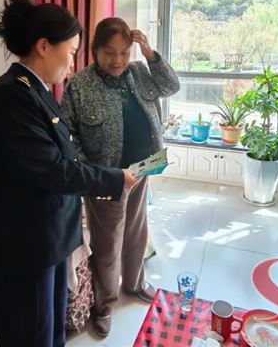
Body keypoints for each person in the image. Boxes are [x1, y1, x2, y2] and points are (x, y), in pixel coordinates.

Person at [0, 0, 138, 347]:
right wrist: (115, 179)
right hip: (23, 248)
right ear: (44, 46)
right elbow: (54, 170)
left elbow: (64, 157)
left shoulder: (37, 91)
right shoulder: (10, 97)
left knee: (50, 334)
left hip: (47, 239)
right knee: (32, 337)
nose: (73, 62)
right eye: (71, 51)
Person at [62, 17, 180, 337]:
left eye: (125, 52)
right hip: (107, 179)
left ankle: (134, 284)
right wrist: (92, 174)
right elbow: (68, 137)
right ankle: (105, 305)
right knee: (107, 245)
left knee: (136, 231)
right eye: (109, 52)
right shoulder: (79, 86)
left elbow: (171, 86)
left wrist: (150, 54)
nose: (118, 60)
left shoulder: (139, 72)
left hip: (143, 169)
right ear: (94, 50)